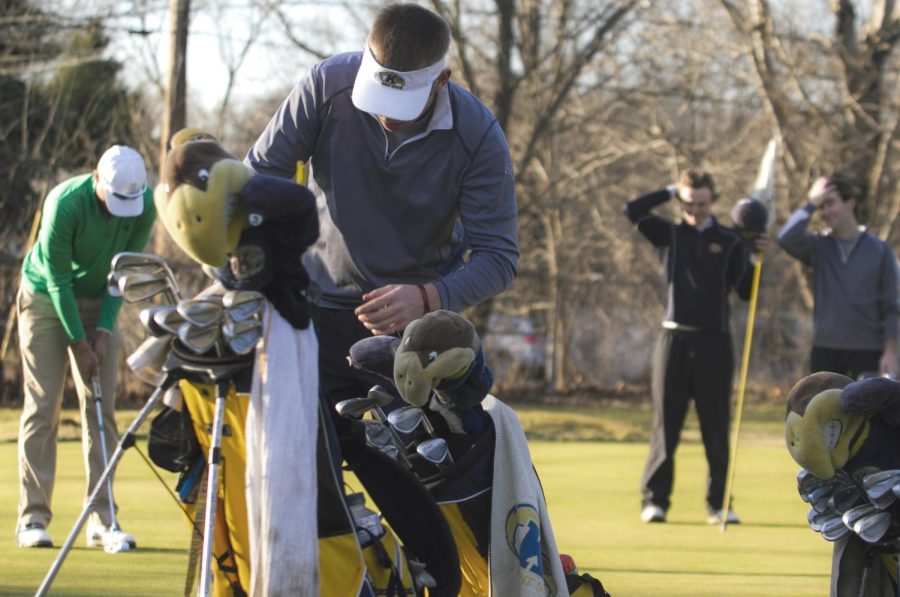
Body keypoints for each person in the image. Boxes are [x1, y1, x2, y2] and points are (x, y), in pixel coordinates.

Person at [245, 3, 518, 406]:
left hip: (417, 335)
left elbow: (499, 257)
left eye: (401, 101)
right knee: (308, 465)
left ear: (442, 79)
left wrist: (430, 297)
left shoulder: (478, 136)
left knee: (418, 467)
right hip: (314, 311)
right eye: (378, 94)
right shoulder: (327, 84)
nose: (385, 113)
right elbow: (257, 181)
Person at [15, 145, 156, 549]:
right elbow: (59, 280)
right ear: (96, 179)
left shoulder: (144, 205)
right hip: (45, 297)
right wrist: (79, 343)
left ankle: (102, 516)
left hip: (99, 300)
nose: (119, 210)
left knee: (100, 409)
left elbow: (121, 274)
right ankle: (32, 518)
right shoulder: (64, 203)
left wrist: (104, 332)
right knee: (43, 406)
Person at [624, 169, 766, 525]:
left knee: (715, 425)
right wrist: (671, 189)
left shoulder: (731, 240)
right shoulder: (669, 233)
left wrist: (754, 258)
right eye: (688, 203)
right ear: (681, 201)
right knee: (665, 425)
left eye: (701, 203)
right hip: (673, 338)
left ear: (713, 201)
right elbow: (632, 210)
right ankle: (655, 500)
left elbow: (747, 292)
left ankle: (719, 504)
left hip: (715, 342)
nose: (695, 210)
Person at [778, 174, 899, 380]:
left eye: (830, 203)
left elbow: (892, 305)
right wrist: (811, 203)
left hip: (868, 351)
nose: (824, 212)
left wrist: (891, 351)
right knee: (823, 412)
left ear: (850, 203)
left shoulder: (880, 250)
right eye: (821, 206)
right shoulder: (819, 247)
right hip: (825, 350)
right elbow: (786, 238)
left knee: (866, 412)